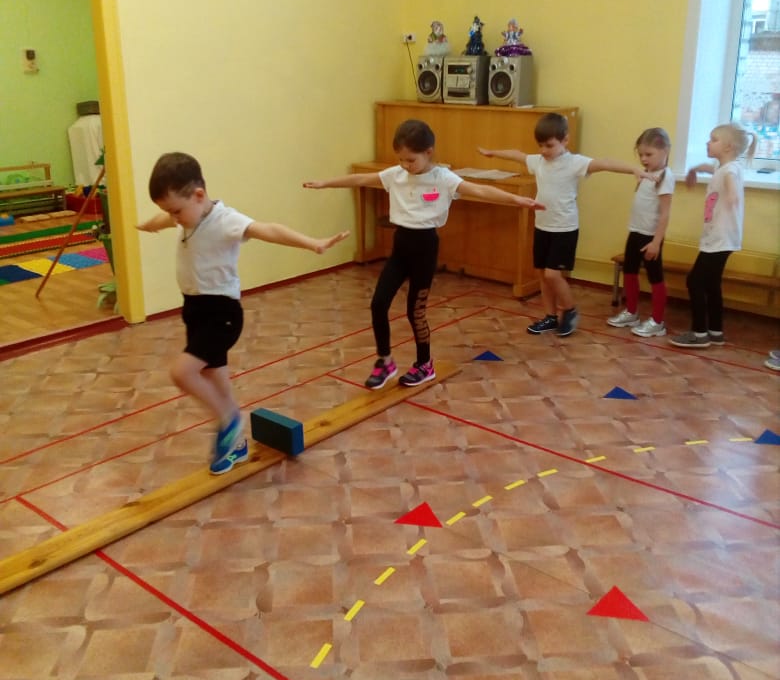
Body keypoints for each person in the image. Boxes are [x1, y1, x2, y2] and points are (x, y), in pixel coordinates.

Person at [137, 152, 349, 475]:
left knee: (182, 373)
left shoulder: (225, 220)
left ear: (199, 195)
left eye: (176, 211)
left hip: (221, 314)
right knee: (215, 377)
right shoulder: (187, 215)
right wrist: (150, 224)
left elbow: (268, 230)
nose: (174, 219)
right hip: (194, 310)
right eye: (169, 212)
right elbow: (165, 219)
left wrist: (312, 243)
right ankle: (236, 444)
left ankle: (229, 421)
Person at [304, 119, 544, 389]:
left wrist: (516, 200)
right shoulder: (395, 175)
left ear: (428, 152)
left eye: (411, 160)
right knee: (378, 304)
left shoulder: (443, 178)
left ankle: (424, 364)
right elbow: (359, 179)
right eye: (401, 159)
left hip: (425, 249)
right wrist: (325, 183)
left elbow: (479, 190)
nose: (405, 165)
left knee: (415, 312)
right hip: (400, 247)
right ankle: (385, 361)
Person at [479, 112, 654, 337]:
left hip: (564, 229)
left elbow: (605, 163)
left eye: (549, 145)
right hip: (542, 227)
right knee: (543, 275)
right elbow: (517, 155)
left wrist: (634, 169)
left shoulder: (575, 163)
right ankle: (550, 317)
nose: (544, 150)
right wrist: (493, 153)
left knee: (553, 275)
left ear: (565, 140)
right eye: (540, 145)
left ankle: (570, 310)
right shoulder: (538, 161)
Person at [670, 123, 756, 348]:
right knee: (711, 283)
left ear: (728, 147)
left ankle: (699, 333)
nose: (708, 142)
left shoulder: (730, 171)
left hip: (720, 238)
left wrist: (733, 196)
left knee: (694, 281)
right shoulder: (724, 168)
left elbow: (730, 181)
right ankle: (715, 332)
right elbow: (713, 170)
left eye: (714, 139)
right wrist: (694, 169)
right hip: (722, 238)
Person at [607, 128, 674, 337]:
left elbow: (665, 213)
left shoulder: (665, 176)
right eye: (641, 154)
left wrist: (656, 242)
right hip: (635, 231)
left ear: (665, 151)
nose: (643, 159)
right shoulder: (646, 173)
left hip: (650, 236)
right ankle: (631, 312)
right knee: (629, 271)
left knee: (655, 277)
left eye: (649, 154)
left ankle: (657, 321)